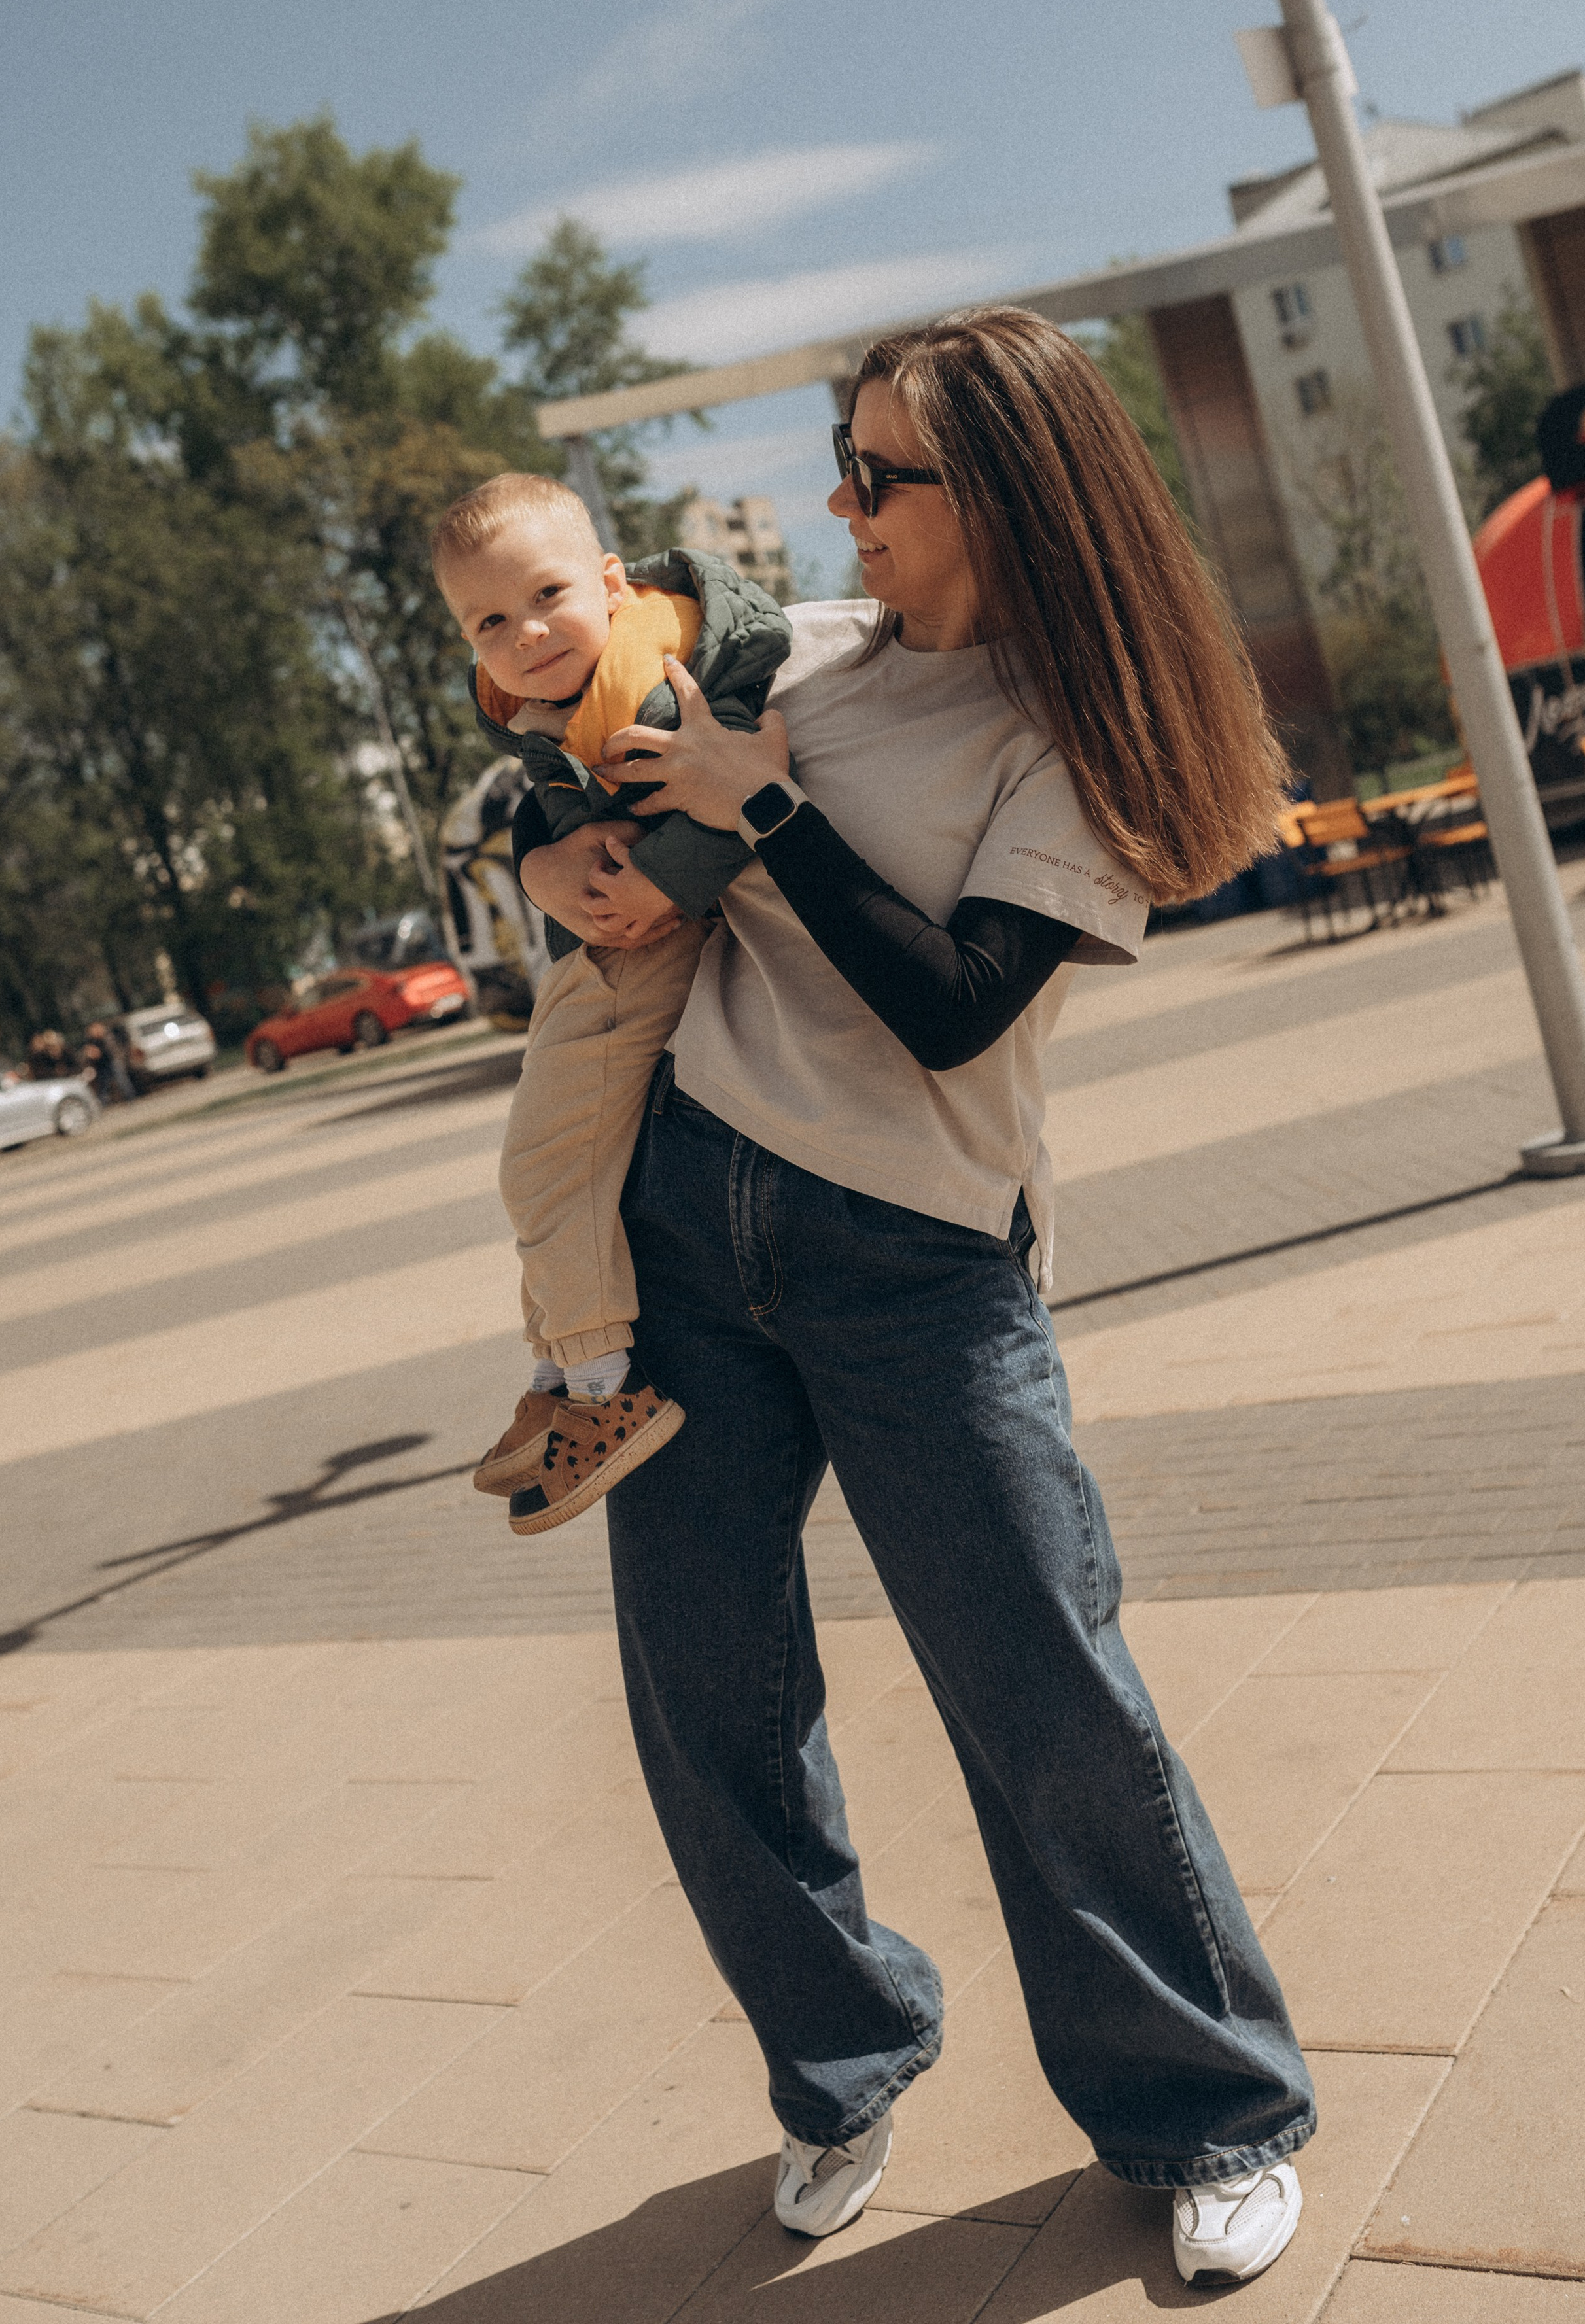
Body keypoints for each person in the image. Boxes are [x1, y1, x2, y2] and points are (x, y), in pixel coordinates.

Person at [518, 308, 1315, 2289]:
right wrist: (547, 853)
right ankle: (845, 2056)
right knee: (706, 1701)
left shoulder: (1080, 733)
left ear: (1011, 496)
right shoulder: (794, 655)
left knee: (1041, 1692)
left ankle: (1209, 2107)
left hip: (919, 1256)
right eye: (845, 464)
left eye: (883, 476)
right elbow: (563, 772)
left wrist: (766, 813)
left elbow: (958, 1011)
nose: (842, 504)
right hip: (688, 1224)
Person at [432, 473, 791, 1533]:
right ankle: (556, 1369)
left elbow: (740, 787)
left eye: (545, 596)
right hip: (608, 940)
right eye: (489, 622)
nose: (526, 632)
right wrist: (545, 864)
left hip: (647, 940)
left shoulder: (666, 673)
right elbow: (553, 812)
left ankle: (604, 1392)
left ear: (607, 579)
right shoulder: (572, 696)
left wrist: (657, 880)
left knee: (546, 1161)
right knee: (543, 1155)